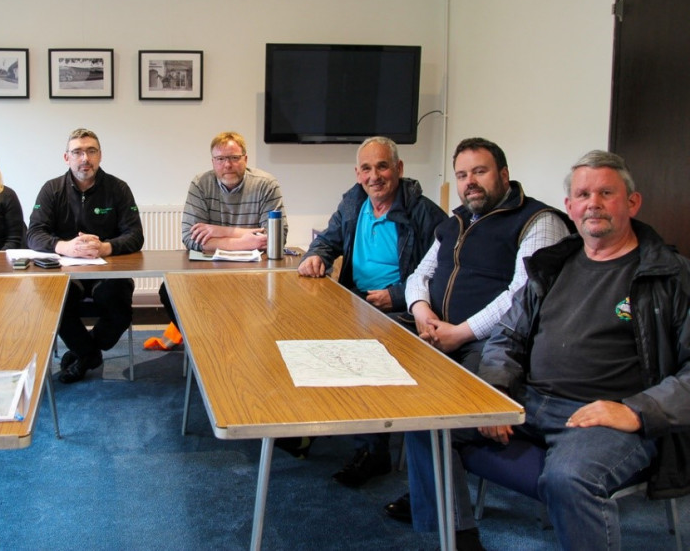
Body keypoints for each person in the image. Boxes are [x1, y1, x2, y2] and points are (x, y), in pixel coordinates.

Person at [412, 150, 690, 550]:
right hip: (530, 400)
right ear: (570, 207)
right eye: (583, 195)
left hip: (605, 415)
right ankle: (459, 537)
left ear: (632, 202)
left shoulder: (670, 275)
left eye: (605, 193)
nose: (592, 203)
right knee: (426, 422)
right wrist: (497, 394)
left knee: (569, 479)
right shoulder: (553, 265)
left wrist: (635, 410)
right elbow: (508, 336)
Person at [385, 137, 570, 547]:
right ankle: (423, 488)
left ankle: (458, 533)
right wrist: (422, 312)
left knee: (427, 412)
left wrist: (461, 332)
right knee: (373, 371)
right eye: (462, 175)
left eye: (480, 172)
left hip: (490, 347)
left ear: (504, 174)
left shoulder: (538, 222)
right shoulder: (454, 222)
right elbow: (420, 274)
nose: (470, 183)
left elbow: (522, 296)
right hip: (437, 331)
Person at [291, 136, 446, 483]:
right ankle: (305, 424)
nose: (374, 176)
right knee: (294, 327)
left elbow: (443, 275)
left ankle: (373, 452)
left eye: (382, 166)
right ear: (357, 173)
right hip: (352, 299)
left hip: (400, 311)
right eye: (366, 168)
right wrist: (316, 255)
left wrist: (398, 294)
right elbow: (327, 239)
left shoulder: (425, 213)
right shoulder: (353, 202)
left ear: (399, 169)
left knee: (365, 351)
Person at [27, 128, 144, 383]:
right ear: (66, 158)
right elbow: (34, 233)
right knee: (55, 305)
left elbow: (135, 235)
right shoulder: (51, 189)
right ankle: (89, 355)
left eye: (91, 151)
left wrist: (105, 247)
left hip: (110, 270)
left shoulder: (118, 188)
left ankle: (83, 353)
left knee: (120, 309)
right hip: (66, 271)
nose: (85, 158)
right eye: (77, 152)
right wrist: (64, 246)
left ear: (100, 155)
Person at [153, 132, 286, 341]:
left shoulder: (266, 184)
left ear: (245, 159)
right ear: (213, 162)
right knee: (168, 290)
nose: (228, 165)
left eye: (234, 158)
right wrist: (244, 241)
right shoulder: (201, 184)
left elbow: (276, 237)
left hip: (254, 272)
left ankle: (257, 340)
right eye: (221, 159)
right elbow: (190, 237)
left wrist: (219, 231)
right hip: (207, 269)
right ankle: (196, 342)